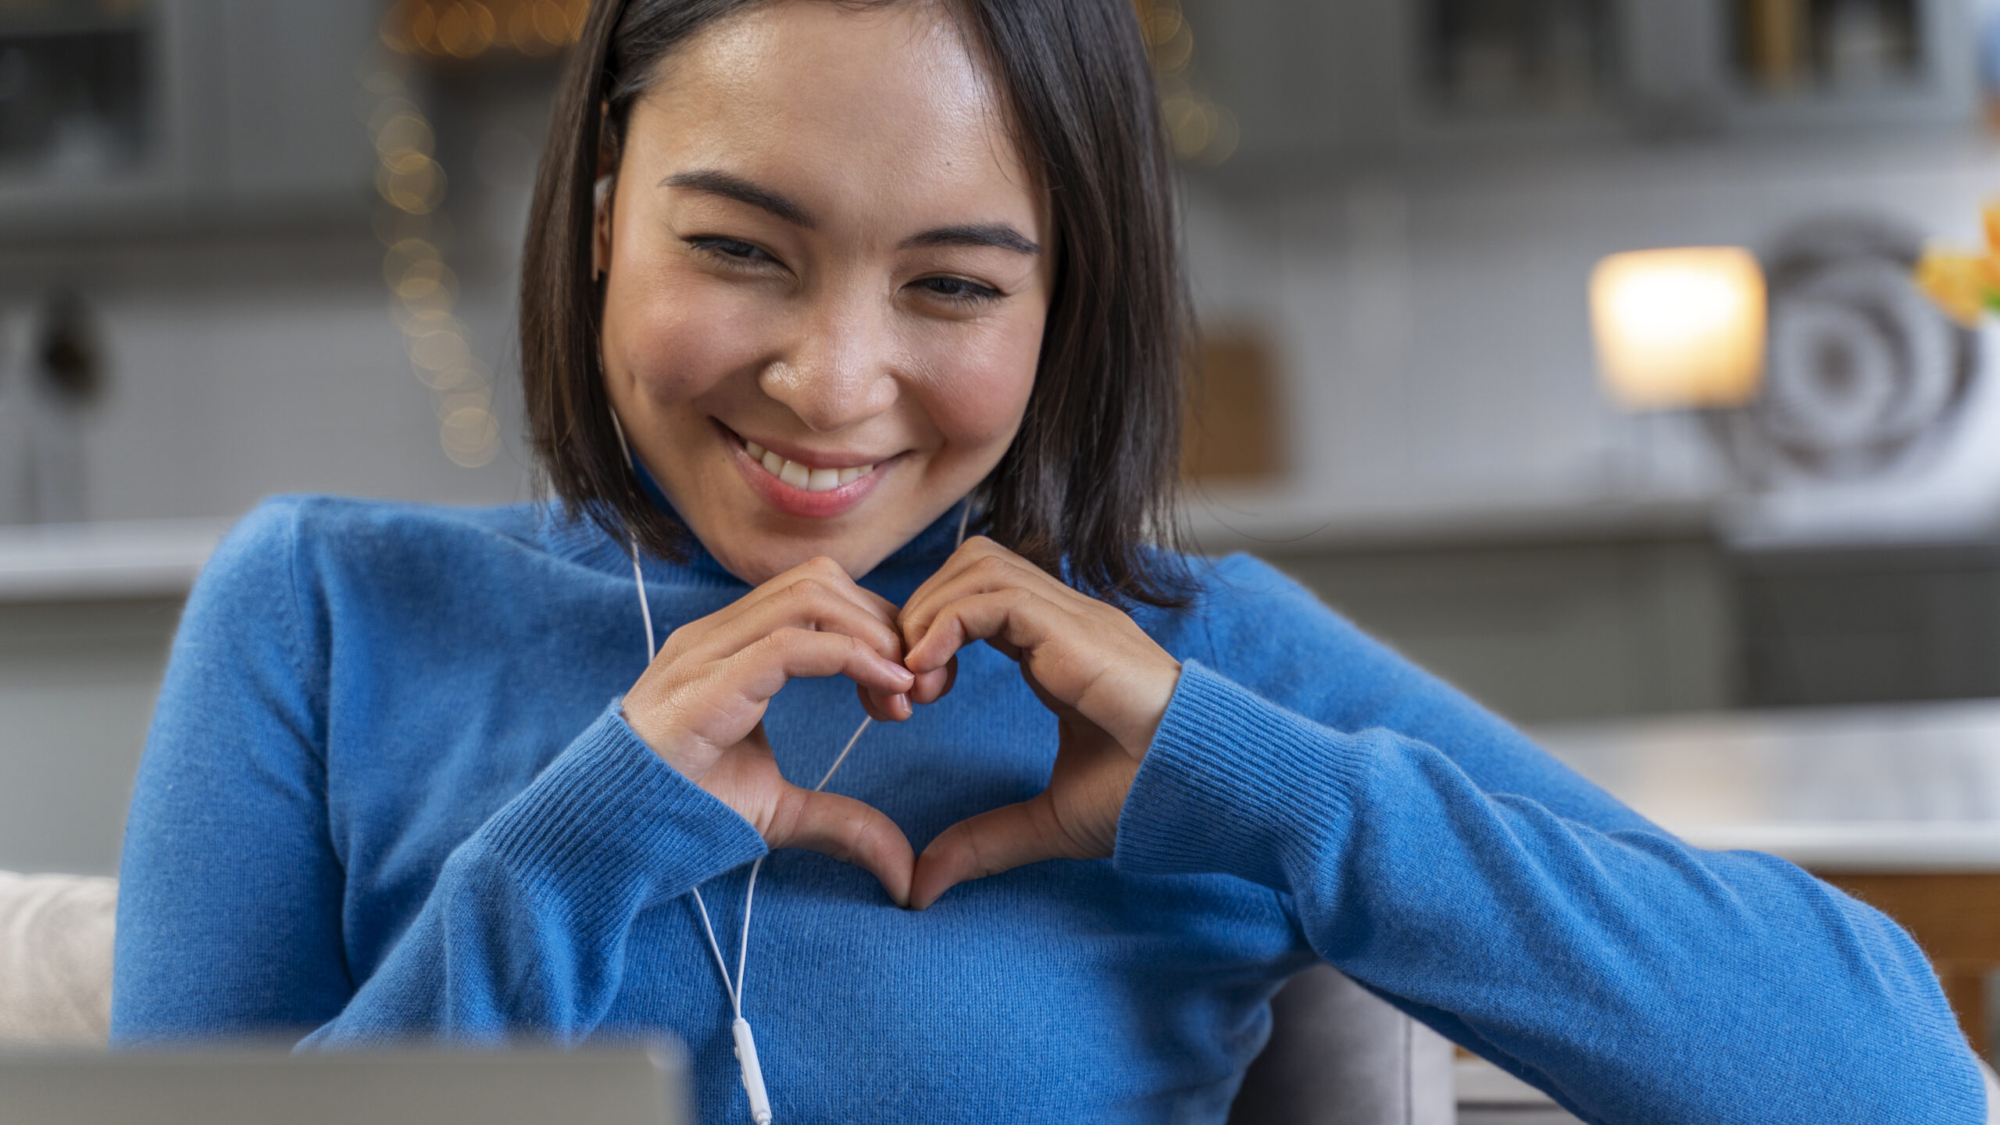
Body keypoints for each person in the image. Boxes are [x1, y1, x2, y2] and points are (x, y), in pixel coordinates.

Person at [111, 0, 1985, 1120]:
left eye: (952, 285)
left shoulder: (1196, 673)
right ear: (605, 217)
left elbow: (1882, 1077)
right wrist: (582, 835)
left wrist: (1268, 796)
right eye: (742, 248)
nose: (832, 379)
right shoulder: (327, 616)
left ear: (1060, 304)